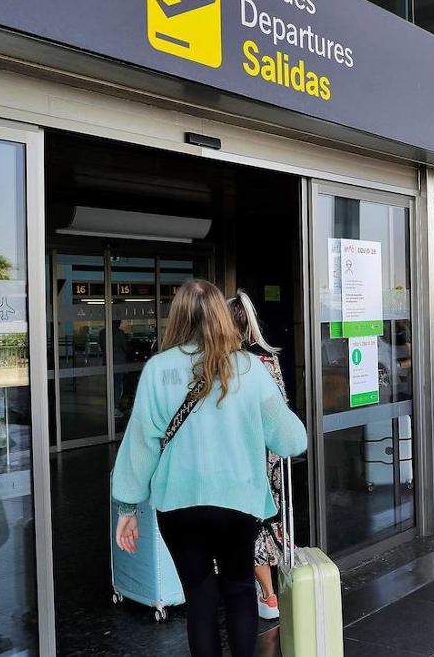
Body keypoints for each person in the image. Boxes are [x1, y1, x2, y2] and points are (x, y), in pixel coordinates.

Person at [112, 280, 307, 656]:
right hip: (238, 504)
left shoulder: (158, 369)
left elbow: (140, 445)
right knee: (239, 589)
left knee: (199, 599)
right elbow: (292, 441)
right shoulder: (249, 368)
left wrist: (126, 510)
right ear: (221, 315)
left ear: (178, 317)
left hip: (177, 507)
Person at [227, 289, 290, 622]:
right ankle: (268, 592)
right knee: (263, 520)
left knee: (247, 524)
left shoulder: (229, 364)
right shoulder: (268, 360)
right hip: (269, 455)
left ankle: (266, 596)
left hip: (243, 456)